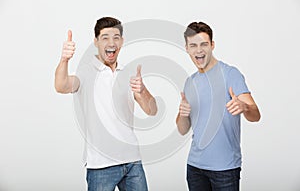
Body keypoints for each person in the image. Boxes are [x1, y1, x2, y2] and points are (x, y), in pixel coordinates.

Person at [55, 17, 157, 191]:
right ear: (96, 42)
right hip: (101, 166)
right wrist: (64, 60)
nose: (111, 42)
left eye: (116, 37)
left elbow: (152, 110)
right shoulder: (86, 72)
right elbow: (61, 86)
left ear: (122, 41)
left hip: (132, 162)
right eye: (105, 37)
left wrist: (142, 91)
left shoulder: (128, 73)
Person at [176, 21, 261, 191]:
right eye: (193, 45)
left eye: (203, 44)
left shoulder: (231, 74)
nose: (198, 50)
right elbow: (182, 129)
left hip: (225, 169)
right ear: (186, 48)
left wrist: (244, 107)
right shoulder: (190, 82)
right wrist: (182, 114)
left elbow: (255, 116)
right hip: (195, 168)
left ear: (212, 45)